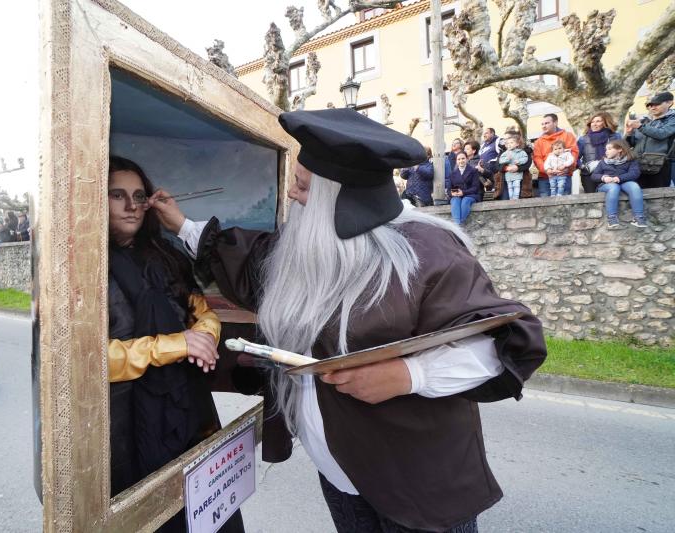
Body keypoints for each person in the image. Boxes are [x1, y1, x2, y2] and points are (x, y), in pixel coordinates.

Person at [150, 109, 546, 533]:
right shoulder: (304, 249)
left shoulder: (430, 253)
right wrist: (182, 225)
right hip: (339, 476)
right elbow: (251, 263)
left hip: (416, 487)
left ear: (337, 196)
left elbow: (498, 342)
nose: (293, 196)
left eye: (302, 187)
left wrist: (408, 374)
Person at [103, 155, 244, 533]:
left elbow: (205, 315)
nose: (132, 205)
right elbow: (90, 362)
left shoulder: (167, 255)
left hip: (189, 408)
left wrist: (204, 338)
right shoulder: (84, 265)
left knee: (209, 513)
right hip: (124, 426)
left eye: (138, 195)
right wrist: (175, 345)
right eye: (117, 195)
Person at [591, 139, 646, 229]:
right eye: (606, 149)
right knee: (614, 187)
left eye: (609, 149)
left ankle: (639, 217)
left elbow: (634, 173)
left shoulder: (631, 160)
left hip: (624, 182)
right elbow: (594, 176)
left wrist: (619, 178)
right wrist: (604, 178)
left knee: (634, 186)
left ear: (619, 149)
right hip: (607, 185)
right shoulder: (603, 162)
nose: (606, 151)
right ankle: (612, 218)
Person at [625, 91, 675, 189]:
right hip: (637, 166)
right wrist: (629, 133)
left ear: (669, 103)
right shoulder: (643, 121)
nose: (652, 107)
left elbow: (662, 134)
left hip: (659, 166)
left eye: (657, 104)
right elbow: (628, 145)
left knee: (659, 198)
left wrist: (640, 126)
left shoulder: (672, 119)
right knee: (639, 198)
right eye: (650, 105)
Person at [532, 113, 579, 196]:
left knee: (564, 203)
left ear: (555, 123)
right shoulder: (538, 141)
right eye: (542, 124)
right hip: (545, 178)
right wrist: (547, 170)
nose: (544, 126)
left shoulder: (568, 136)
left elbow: (573, 154)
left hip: (563, 175)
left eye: (547, 123)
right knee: (545, 205)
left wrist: (566, 168)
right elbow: (537, 158)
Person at [577, 111, 621, 193]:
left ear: (605, 123)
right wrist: (583, 167)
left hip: (611, 173)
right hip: (589, 175)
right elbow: (576, 157)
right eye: (592, 122)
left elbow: (623, 153)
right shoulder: (583, 139)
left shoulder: (615, 137)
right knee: (592, 199)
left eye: (598, 121)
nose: (594, 124)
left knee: (611, 194)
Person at [447, 152, 481, 225]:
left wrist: (463, 192)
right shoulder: (452, 174)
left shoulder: (473, 171)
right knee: (455, 201)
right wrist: (452, 193)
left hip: (470, 195)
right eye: (459, 159)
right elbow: (449, 190)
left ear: (467, 159)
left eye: (463, 158)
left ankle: (458, 225)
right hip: (457, 195)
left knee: (465, 201)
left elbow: (475, 187)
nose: (461, 161)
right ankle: (457, 224)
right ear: (456, 161)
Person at [498, 136, 529, 200]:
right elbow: (500, 161)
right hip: (508, 175)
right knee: (510, 188)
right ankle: (511, 199)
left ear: (517, 144)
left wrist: (519, 162)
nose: (509, 144)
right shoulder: (505, 153)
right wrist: (507, 159)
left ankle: (515, 199)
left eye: (511, 143)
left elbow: (525, 158)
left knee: (516, 186)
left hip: (517, 174)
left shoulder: (521, 152)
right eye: (508, 143)